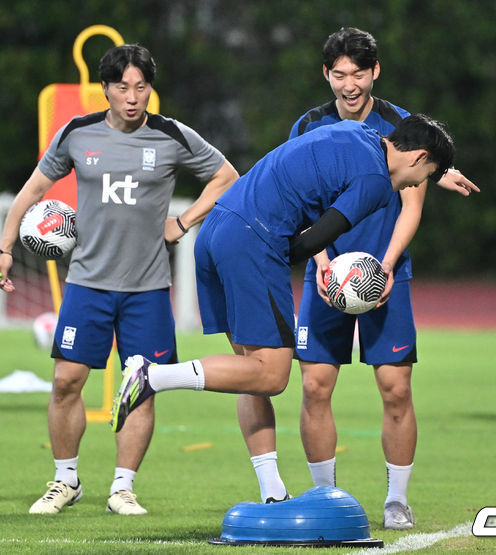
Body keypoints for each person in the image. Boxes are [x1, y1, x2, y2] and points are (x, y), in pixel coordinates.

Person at [109, 115, 456, 510]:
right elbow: (321, 236)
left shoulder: (360, 134)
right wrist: (286, 260)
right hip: (253, 240)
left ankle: (272, 493)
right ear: (419, 157)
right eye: (424, 175)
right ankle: (150, 376)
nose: (414, 185)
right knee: (271, 375)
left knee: (250, 372)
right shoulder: (378, 182)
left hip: (217, 228)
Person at [237, 27, 479, 528]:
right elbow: (300, 199)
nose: (349, 84)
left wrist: (385, 268)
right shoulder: (309, 125)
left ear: (375, 73)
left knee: (395, 387)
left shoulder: (403, 128)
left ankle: (396, 500)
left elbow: (412, 204)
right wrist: (324, 261)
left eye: (359, 74)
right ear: (327, 74)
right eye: (339, 74)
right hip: (328, 273)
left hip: (385, 273)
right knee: (315, 385)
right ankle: (325, 496)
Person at [0, 44, 239, 515]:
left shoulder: (171, 135)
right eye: (122, 87)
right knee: (67, 380)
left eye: (142, 87)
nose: (133, 97)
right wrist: (5, 248)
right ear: (106, 88)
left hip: (148, 289)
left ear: (150, 88)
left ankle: (122, 488)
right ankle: (65, 481)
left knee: (141, 385)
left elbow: (227, 175)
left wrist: (184, 220)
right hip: (87, 284)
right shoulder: (76, 133)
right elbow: (33, 190)